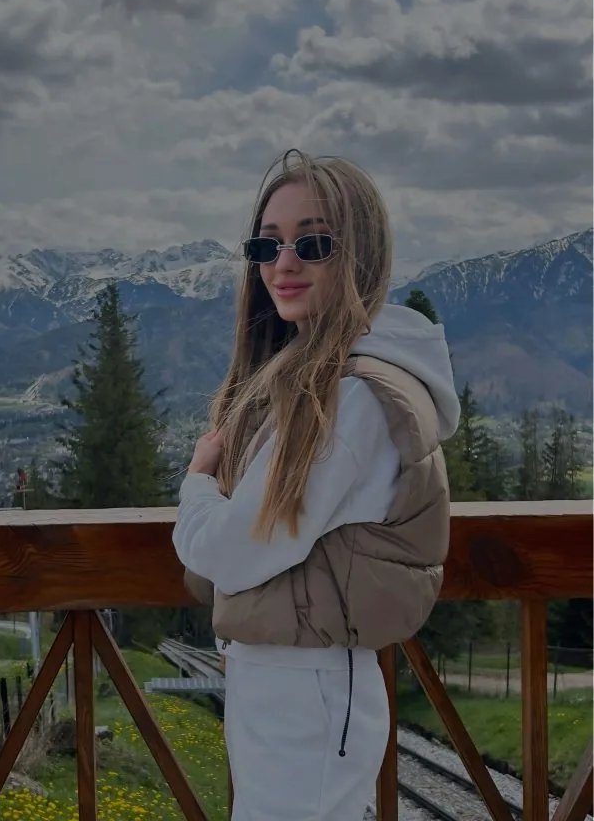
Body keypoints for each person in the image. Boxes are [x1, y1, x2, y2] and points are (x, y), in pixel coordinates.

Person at [172, 149, 460, 821]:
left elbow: (232, 551)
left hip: (305, 691)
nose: (283, 264)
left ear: (361, 253)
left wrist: (197, 483)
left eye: (313, 243)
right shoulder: (332, 382)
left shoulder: (346, 398)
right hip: (299, 681)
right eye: (266, 245)